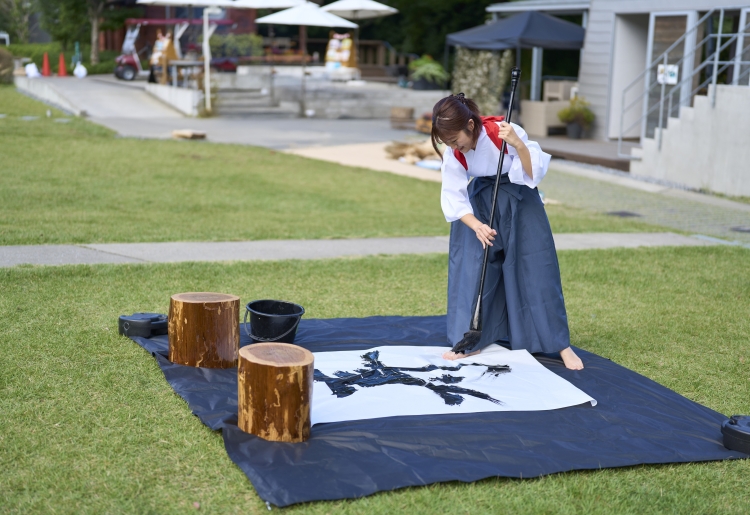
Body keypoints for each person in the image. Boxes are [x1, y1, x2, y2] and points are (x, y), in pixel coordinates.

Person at [432, 93, 583, 370]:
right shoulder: (454, 153)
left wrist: (519, 146)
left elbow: (532, 174)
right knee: (473, 269)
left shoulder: (504, 131)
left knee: (535, 268)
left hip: (519, 201)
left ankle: (559, 344)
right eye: (448, 143)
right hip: (479, 206)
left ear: (469, 125)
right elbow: (452, 194)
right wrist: (476, 226)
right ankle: (470, 340)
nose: (455, 147)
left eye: (456, 140)